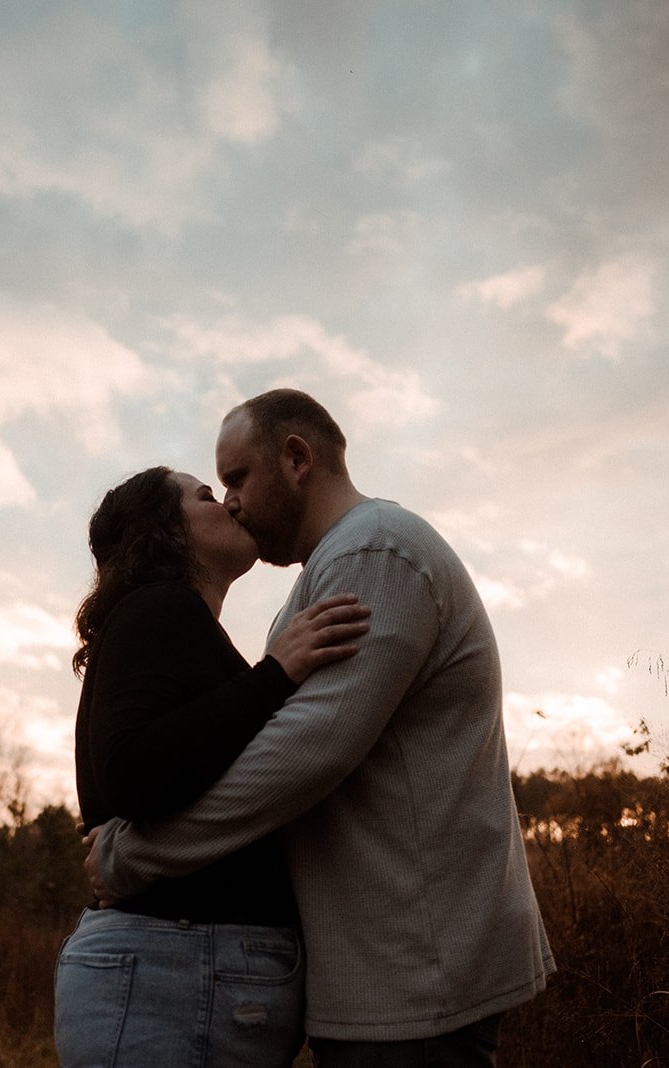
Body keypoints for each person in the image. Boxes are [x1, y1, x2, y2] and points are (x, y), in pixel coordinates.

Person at [89, 390, 555, 1066]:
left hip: (415, 976)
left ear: (297, 457)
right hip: (380, 975)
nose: (233, 502)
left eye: (238, 478)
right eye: (218, 490)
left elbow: (300, 757)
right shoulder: (332, 576)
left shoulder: (377, 553)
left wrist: (134, 857)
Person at [54, 465, 372, 1068]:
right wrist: (274, 675)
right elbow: (132, 772)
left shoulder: (178, 626)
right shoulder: (159, 609)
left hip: (183, 969)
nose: (229, 503)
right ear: (167, 533)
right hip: (174, 968)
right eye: (205, 495)